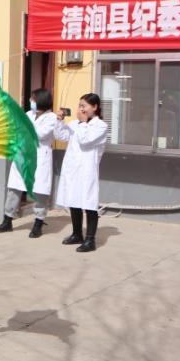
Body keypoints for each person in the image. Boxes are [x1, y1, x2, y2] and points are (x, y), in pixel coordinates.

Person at [0, 89, 57, 237]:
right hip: (23, 155)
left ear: (41, 100)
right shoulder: (29, 114)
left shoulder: (52, 118)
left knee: (39, 192)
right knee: (14, 188)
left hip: (40, 157)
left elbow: (39, 134)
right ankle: (7, 220)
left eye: (33, 98)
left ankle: (38, 223)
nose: (30, 101)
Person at [53, 93, 108, 253]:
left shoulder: (100, 126)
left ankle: (90, 240)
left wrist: (83, 123)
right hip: (72, 169)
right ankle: (77, 234)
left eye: (84, 106)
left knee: (89, 203)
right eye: (80, 106)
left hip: (87, 171)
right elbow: (60, 135)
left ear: (95, 107)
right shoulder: (75, 123)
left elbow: (86, 140)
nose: (81, 109)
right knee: (74, 200)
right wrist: (59, 121)